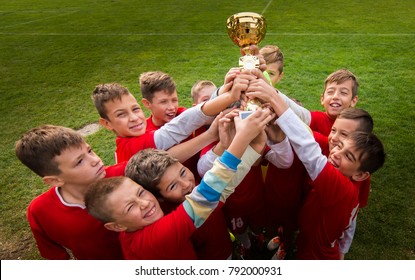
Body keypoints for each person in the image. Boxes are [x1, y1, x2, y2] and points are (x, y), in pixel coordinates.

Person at [84, 108, 275, 259]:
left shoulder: (159, 209)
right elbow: (204, 198)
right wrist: (241, 139)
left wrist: (253, 150)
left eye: (141, 194)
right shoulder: (151, 240)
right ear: (116, 227)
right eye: (129, 207)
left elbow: (217, 194)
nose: (144, 203)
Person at [245, 79, 385, 259]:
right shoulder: (342, 173)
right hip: (307, 237)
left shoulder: (340, 187)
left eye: (348, 156)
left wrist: (273, 97)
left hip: (315, 254)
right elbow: (307, 132)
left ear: (360, 175)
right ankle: (285, 246)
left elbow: (307, 147)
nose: (335, 152)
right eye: (340, 145)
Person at [14, 125, 125, 260]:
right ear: (55, 180)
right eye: (79, 162)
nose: (95, 160)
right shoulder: (40, 211)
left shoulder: (123, 175)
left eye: (89, 151)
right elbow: (53, 254)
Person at [90, 79, 250, 164]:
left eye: (135, 109)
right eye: (121, 114)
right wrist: (228, 97)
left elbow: (197, 117)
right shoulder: (127, 147)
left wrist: (224, 93)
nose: (133, 117)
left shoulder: (175, 115)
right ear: (106, 123)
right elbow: (171, 141)